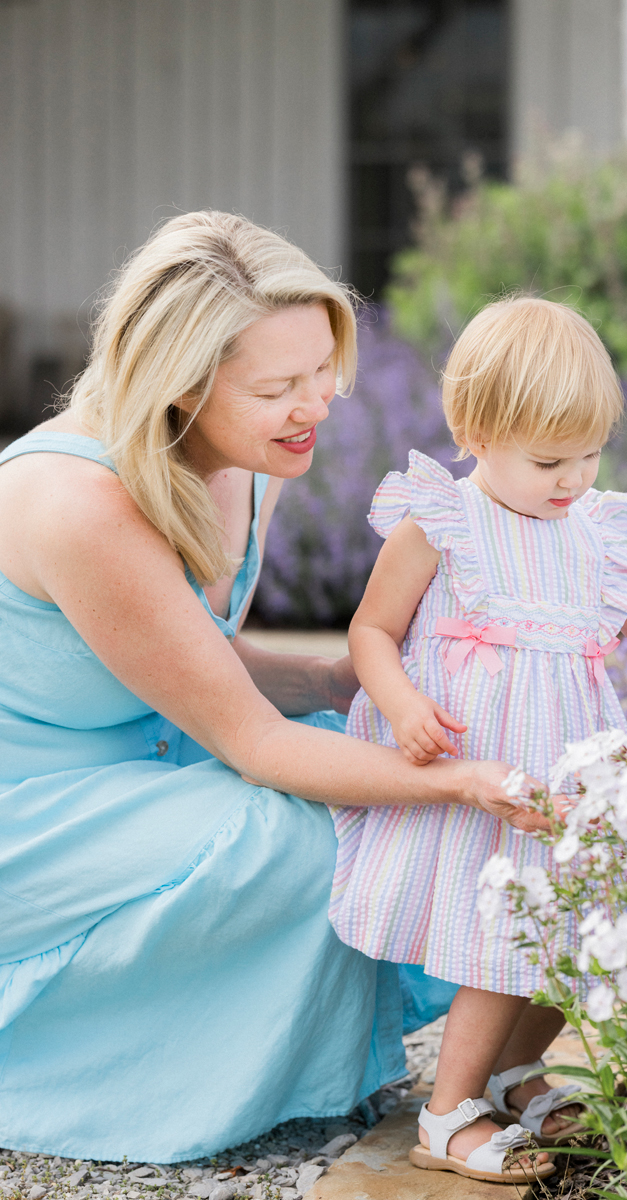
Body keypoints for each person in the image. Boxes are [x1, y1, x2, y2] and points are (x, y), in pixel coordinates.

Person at [0, 213, 553, 1165]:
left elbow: (189, 657)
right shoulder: (77, 503)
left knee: (368, 742)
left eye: (321, 374)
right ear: (177, 384)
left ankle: (490, 1060)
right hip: (34, 811)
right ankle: (115, 1067)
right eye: (276, 387)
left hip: (155, 759)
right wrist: (464, 781)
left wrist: (361, 680)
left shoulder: (248, 462)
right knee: (303, 831)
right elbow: (251, 741)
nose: (317, 406)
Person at [328, 297, 627, 1184]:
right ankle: (446, 1112)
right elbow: (370, 633)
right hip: (479, 774)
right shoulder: (445, 522)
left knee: (576, 932)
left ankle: (515, 1073)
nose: (573, 478)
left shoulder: (598, 537)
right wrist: (399, 706)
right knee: (507, 935)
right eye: (549, 459)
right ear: (474, 430)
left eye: (589, 453)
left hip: (565, 781)